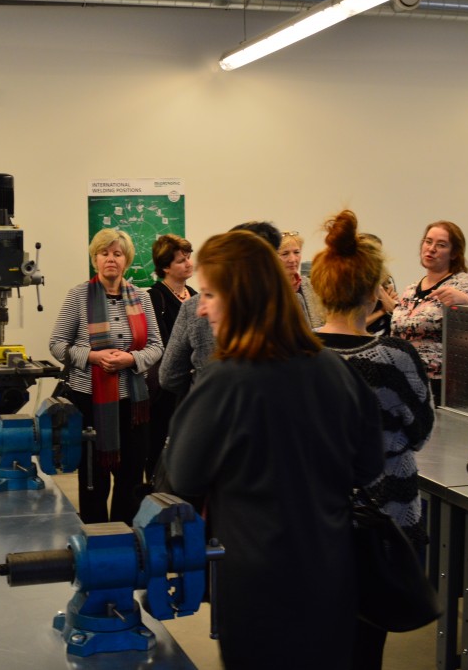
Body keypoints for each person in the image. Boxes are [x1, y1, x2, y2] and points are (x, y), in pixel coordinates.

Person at [164, 229, 383, 670]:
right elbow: (369, 465)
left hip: (257, 578)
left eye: (210, 294)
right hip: (332, 570)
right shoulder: (334, 369)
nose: (201, 307)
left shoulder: (225, 380)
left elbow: (183, 475)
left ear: (242, 297)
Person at [310, 210, 435, 670]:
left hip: (310, 521)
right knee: (366, 647)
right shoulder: (396, 358)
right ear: (372, 292)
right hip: (385, 521)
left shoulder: (293, 352)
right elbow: (420, 432)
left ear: (321, 291)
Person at [49, 228, 163, 525]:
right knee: (93, 479)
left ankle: (125, 536)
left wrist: (131, 359)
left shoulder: (142, 297)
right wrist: (92, 356)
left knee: (130, 478)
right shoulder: (78, 295)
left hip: (133, 405)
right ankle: (95, 537)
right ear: (95, 259)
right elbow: (57, 344)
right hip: (89, 401)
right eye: (104, 253)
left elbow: (156, 346)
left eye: (117, 254)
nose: (110, 259)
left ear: (127, 260)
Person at [158, 221, 281, 398]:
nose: (203, 310)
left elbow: (170, 376)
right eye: (181, 260)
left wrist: (200, 387)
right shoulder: (291, 306)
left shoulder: (192, 304)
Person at [391, 220, 468, 402]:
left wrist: (466, 302)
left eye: (441, 245)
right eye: (428, 242)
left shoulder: (464, 285)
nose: (431, 249)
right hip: (402, 377)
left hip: (438, 384)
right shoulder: (411, 289)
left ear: (454, 253)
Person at [144, 233, 194, 481]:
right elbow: (163, 343)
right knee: (158, 445)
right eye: (181, 260)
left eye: (189, 257)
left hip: (190, 386)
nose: (188, 264)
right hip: (165, 388)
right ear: (165, 267)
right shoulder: (155, 297)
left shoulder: (194, 295)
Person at [278, 229, 324, 328]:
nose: (293, 259)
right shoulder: (268, 290)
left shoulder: (312, 286)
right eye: (285, 254)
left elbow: (323, 322)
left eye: (296, 252)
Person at [361, 233, 398, 336]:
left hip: (385, 335)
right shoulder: (352, 282)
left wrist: (391, 306)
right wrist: (382, 311)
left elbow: (394, 311)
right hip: (361, 337)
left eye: (379, 253)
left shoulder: (387, 279)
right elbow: (352, 324)